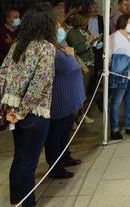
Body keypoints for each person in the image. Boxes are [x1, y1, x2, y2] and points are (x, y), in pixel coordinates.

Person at [0, 3, 58, 207]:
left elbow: (2, 73)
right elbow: (39, 84)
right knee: (28, 162)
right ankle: (27, 203)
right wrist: (21, 111)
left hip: (13, 109)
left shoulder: (19, 44)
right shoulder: (46, 48)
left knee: (20, 158)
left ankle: (16, 203)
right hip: (34, 112)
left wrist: (9, 101)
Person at [43, 42, 85, 180]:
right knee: (55, 136)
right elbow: (69, 66)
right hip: (58, 101)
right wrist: (71, 55)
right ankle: (56, 167)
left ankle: (65, 156)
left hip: (67, 100)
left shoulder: (59, 47)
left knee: (65, 133)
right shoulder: (51, 51)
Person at [110, 14, 130, 139]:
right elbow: (109, 56)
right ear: (123, 22)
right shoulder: (114, 38)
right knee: (116, 101)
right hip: (121, 73)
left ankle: (129, 125)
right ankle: (114, 128)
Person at [65, 13, 95, 124]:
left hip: (90, 64)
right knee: (79, 92)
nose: (87, 23)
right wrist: (89, 42)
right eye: (85, 21)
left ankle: (81, 114)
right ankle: (74, 118)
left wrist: (95, 41)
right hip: (82, 64)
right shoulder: (72, 33)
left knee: (84, 92)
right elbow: (76, 48)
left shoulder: (85, 31)